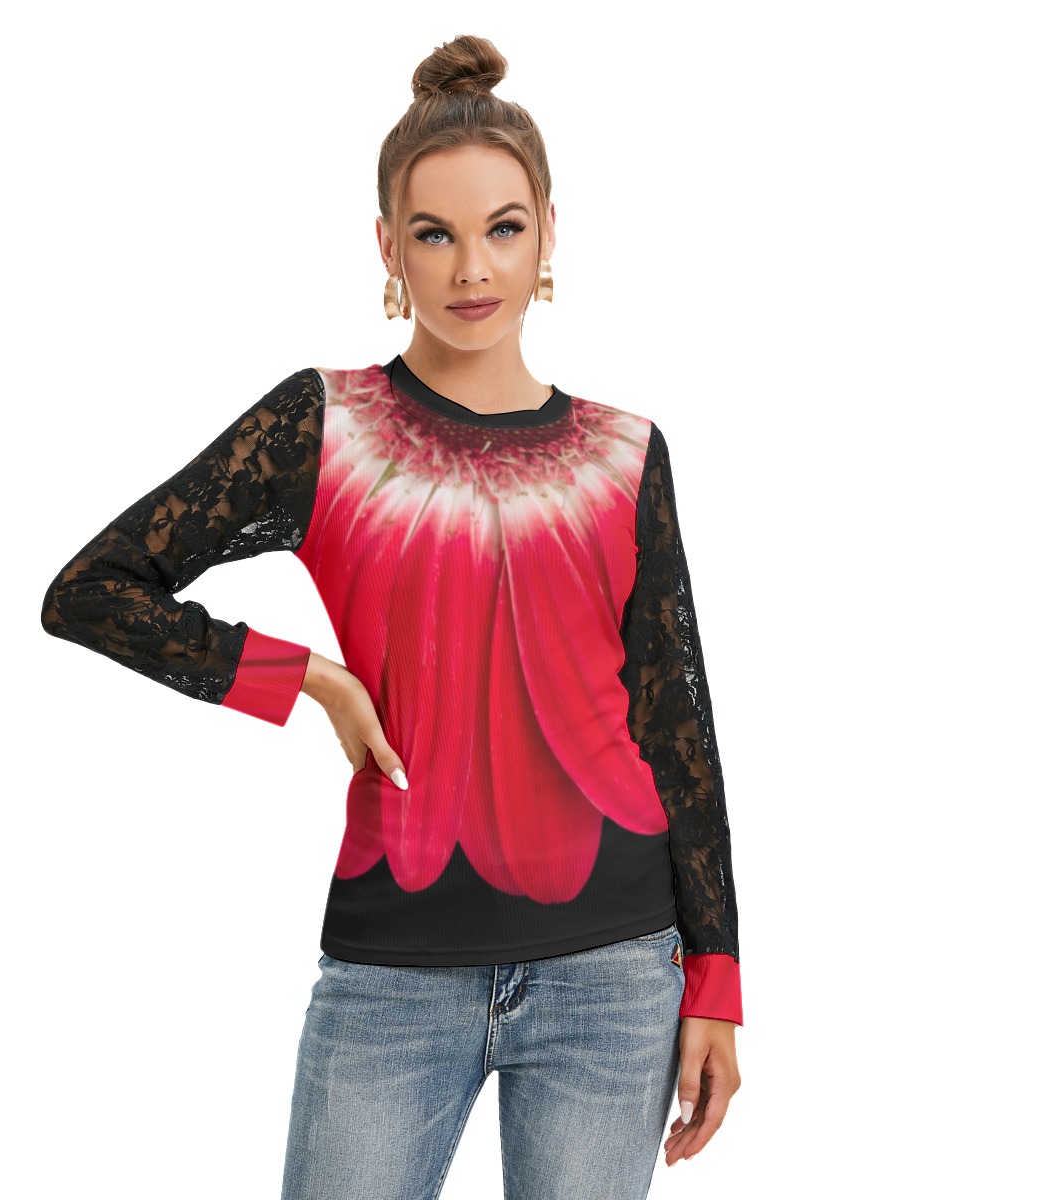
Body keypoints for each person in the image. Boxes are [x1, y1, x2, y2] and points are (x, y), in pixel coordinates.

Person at [41, 32, 742, 1200]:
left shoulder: (627, 453)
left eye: (502, 229)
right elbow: (93, 590)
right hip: (393, 971)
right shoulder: (327, 426)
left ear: (549, 234)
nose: (472, 268)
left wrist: (716, 976)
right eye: (434, 234)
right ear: (387, 247)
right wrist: (304, 679)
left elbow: (678, 716)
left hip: (616, 971)